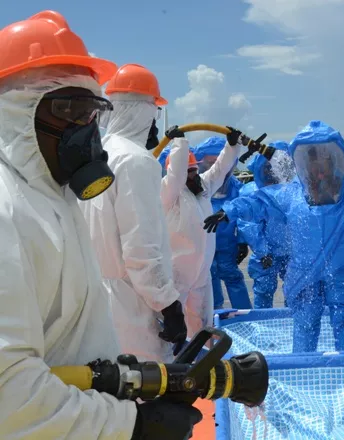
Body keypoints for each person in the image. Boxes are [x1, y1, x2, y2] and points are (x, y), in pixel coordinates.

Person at [0, 10, 201, 439]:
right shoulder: (8, 207)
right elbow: (9, 389)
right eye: (67, 110)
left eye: (91, 112)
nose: (84, 131)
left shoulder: (49, 190)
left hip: (81, 401)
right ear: (15, 110)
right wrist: (134, 425)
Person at [204, 120, 344, 352]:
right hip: (304, 274)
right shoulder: (291, 196)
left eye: (324, 162)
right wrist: (228, 211)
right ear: (303, 166)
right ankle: (304, 366)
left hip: (342, 272)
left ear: (337, 161)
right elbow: (259, 201)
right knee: (305, 319)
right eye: (312, 164)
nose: (319, 171)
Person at [80, 63, 187, 363]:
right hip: (131, 306)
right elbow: (140, 249)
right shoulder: (136, 161)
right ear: (140, 112)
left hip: (96, 300)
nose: (155, 126)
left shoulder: (98, 152)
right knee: (144, 392)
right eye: (154, 114)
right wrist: (168, 303)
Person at [161, 129, 243, 336]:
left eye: (195, 170)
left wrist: (231, 146)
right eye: (188, 171)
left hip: (201, 274)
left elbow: (219, 169)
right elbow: (176, 175)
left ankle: (205, 361)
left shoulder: (202, 186)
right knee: (176, 328)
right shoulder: (168, 192)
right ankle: (175, 364)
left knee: (204, 325)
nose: (193, 175)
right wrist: (179, 142)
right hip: (177, 275)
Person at [194, 136, 252, 309]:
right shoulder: (198, 187)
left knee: (232, 276)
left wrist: (242, 241)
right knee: (208, 278)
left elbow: (244, 215)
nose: (214, 168)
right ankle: (214, 313)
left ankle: (244, 314)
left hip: (227, 243)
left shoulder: (237, 189)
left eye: (217, 162)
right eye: (209, 163)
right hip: (204, 243)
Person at [239, 141, 293, 308]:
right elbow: (249, 226)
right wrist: (263, 252)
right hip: (266, 252)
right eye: (267, 168)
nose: (271, 173)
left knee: (295, 290)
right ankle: (263, 325)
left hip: (293, 251)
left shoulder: (295, 191)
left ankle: (294, 321)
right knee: (263, 290)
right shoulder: (252, 193)